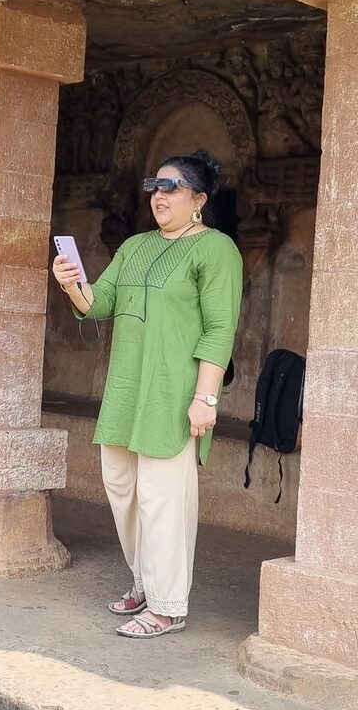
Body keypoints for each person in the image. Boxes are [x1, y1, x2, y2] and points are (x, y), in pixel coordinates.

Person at [52, 150, 242, 639]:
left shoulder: (215, 250)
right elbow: (99, 303)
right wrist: (72, 284)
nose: (159, 196)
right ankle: (145, 580)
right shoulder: (135, 246)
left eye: (171, 187)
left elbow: (220, 329)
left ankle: (167, 606)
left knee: (163, 499)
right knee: (122, 489)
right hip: (126, 390)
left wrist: (206, 398)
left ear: (199, 200)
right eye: (154, 187)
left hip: (173, 393)